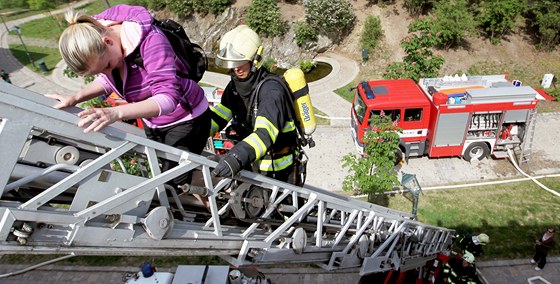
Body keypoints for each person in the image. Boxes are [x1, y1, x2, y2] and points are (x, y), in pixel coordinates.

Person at [47, 4, 210, 206]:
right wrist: (75, 98)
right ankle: (199, 189)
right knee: (167, 174)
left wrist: (115, 113)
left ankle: (210, 206)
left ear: (107, 41)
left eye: (106, 66)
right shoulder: (109, 46)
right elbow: (109, 80)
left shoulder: (151, 42)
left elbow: (167, 99)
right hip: (155, 121)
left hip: (186, 118)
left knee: (173, 180)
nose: (108, 73)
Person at [209, 25, 302, 185]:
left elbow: (265, 134)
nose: (236, 69)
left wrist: (236, 158)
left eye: (241, 62)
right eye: (232, 63)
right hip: (251, 165)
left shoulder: (272, 91)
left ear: (255, 59)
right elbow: (220, 115)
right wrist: (194, 131)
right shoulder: (235, 87)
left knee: (279, 210)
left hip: (277, 172)